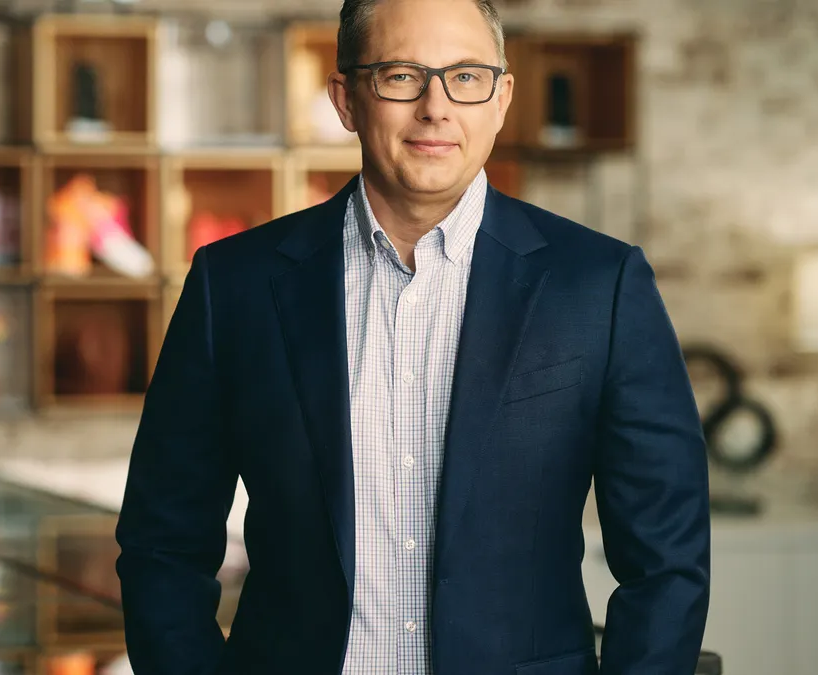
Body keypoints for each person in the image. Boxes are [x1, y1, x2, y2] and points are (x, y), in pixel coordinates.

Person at [115, 0, 711, 673]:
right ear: (346, 98)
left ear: (501, 98)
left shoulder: (600, 285)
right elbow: (163, 543)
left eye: (466, 76)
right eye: (401, 76)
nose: (436, 107)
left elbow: (667, 560)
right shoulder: (236, 285)